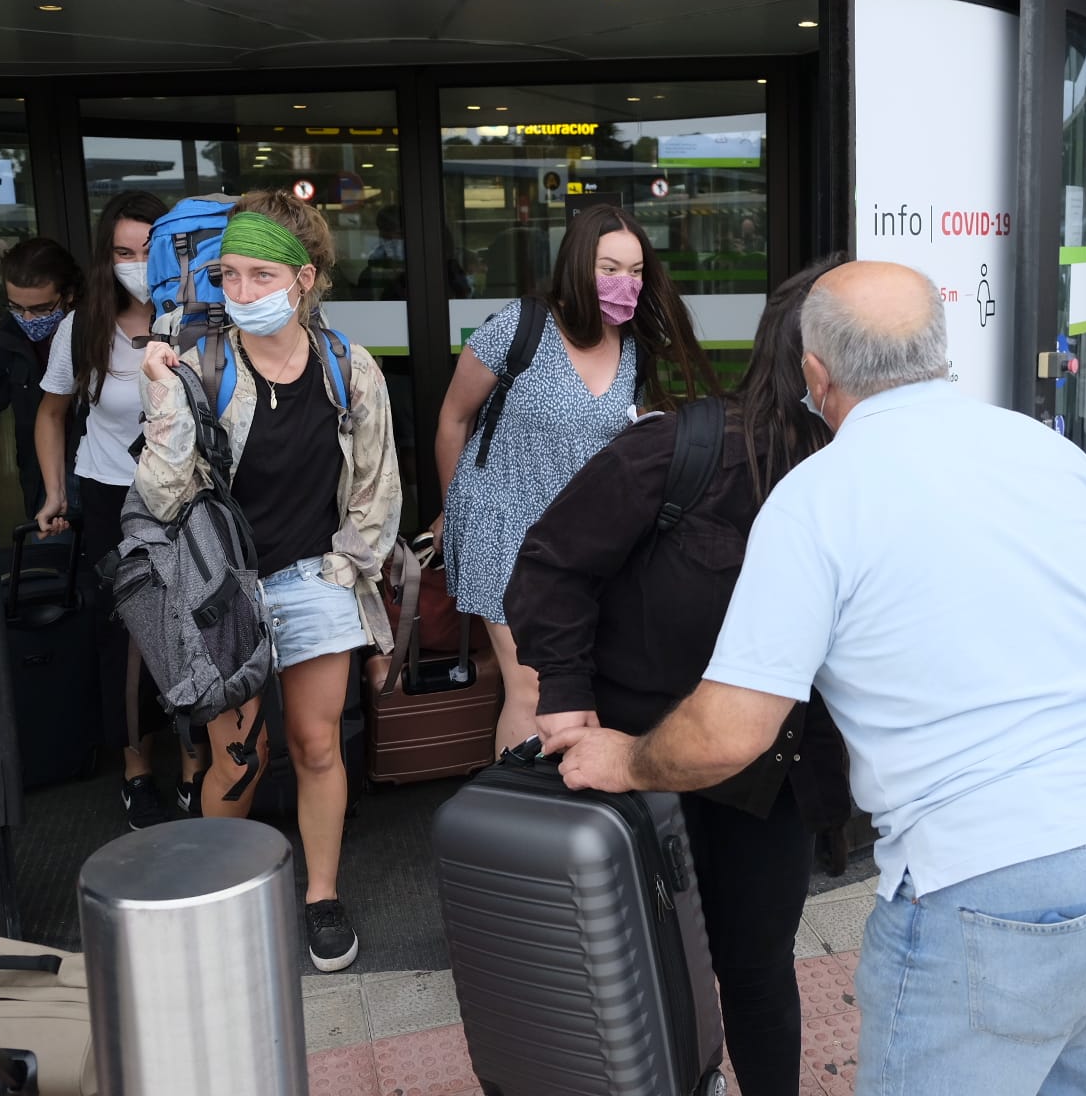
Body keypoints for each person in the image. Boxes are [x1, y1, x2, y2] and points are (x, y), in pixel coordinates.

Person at [544, 260, 1086, 1096]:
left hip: (1002, 879)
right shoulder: (1046, 450)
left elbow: (729, 732)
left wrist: (624, 760)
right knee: (1068, 1077)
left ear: (814, 375)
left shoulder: (818, 496)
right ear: (939, 352)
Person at [506, 258, 852, 1096]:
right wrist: (567, 700)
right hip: (639, 765)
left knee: (757, 968)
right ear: (814, 359)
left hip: (772, 778)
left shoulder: (865, 474)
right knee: (642, 963)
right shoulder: (682, 448)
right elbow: (549, 566)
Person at [136, 189, 401, 970]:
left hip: (316, 576)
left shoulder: (347, 368)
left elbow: (375, 494)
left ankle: (321, 895)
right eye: (229, 277)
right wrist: (164, 398)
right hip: (226, 589)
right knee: (239, 756)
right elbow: (162, 495)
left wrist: (348, 574)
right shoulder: (198, 363)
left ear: (306, 277)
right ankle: (217, 898)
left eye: (261, 276)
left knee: (317, 745)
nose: (242, 294)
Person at [433, 202, 714, 753]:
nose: (624, 284)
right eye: (609, 269)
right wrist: (452, 507)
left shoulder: (636, 348)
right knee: (535, 685)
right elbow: (454, 417)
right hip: (502, 526)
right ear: (578, 265)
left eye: (635, 273)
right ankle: (519, 818)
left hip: (586, 539)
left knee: (580, 682)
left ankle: (570, 802)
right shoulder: (522, 325)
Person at [34, 190, 200, 829]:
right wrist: (55, 493)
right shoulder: (84, 326)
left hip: (186, 496)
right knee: (124, 634)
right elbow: (51, 412)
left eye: (148, 249)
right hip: (111, 494)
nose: (136, 262)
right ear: (106, 257)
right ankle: (135, 770)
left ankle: (193, 767)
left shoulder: (199, 318)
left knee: (190, 629)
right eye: (122, 251)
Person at [0, 237, 82, 517]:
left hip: (103, 468)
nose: (26, 318)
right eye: (15, 307)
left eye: (40, 309)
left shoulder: (95, 330)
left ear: (69, 294)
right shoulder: (3, 342)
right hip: (44, 478)